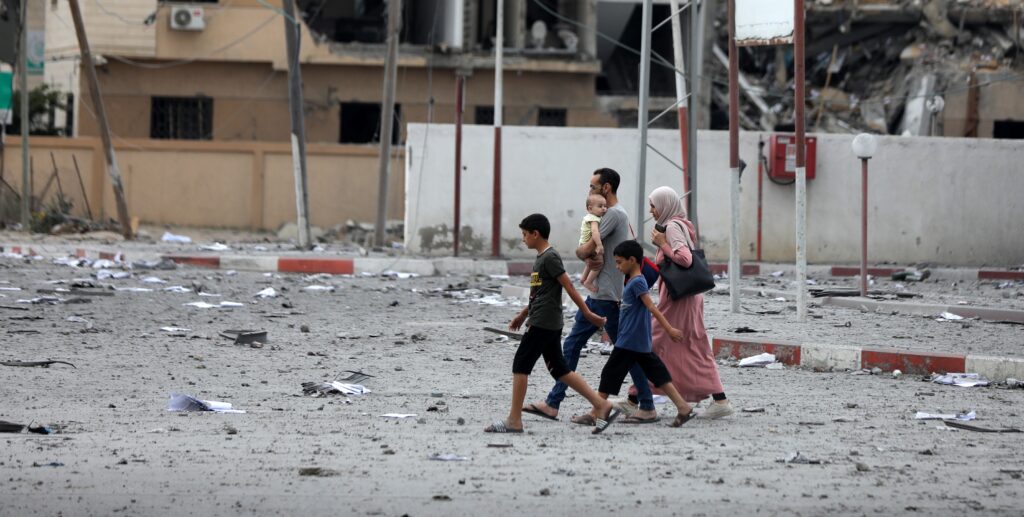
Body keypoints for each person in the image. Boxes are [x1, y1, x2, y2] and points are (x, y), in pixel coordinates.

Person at [522, 168, 657, 423]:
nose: (590, 191)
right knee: (610, 349)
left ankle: (645, 405)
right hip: (606, 294)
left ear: (606, 188)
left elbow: (583, 250)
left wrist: (583, 251)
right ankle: (555, 402)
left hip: (607, 295)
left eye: (593, 186)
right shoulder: (617, 214)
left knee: (604, 348)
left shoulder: (612, 215)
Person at [484, 214, 620, 434]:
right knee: (561, 369)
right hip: (545, 320)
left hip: (544, 322)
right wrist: (522, 314)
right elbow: (539, 294)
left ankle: (514, 420)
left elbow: (569, 287)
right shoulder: (541, 258)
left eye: (525, 234)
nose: (523, 239)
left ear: (535, 234)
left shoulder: (550, 257)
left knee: (521, 364)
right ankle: (601, 404)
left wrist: (587, 313)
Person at [626, 186, 733, 421]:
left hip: (677, 299)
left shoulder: (672, 227)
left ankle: (636, 399)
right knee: (693, 344)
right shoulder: (682, 224)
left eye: (654, 205)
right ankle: (720, 399)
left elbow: (684, 260)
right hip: (686, 296)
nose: (651, 211)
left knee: (651, 342)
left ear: (665, 205)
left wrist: (662, 244)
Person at [586, 240, 696, 427]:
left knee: (609, 374)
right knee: (658, 375)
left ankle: (596, 413)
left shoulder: (637, 282)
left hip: (629, 340)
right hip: (638, 341)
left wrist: (668, 329)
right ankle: (683, 407)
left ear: (632, 260)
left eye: (620, 262)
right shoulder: (634, 281)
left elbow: (651, 307)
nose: (618, 266)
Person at [579, 193, 608, 293]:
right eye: (600, 206)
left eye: (605, 206)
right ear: (590, 209)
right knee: (598, 263)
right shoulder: (594, 219)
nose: (604, 209)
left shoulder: (587, 217)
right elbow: (595, 233)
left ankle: (583, 278)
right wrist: (599, 245)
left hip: (583, 245)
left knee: (590, 263)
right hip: (589, 247)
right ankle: (588, 282)